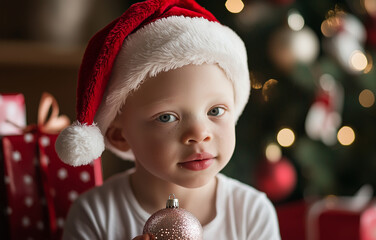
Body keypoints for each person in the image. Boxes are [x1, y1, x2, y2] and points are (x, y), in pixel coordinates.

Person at [55, 0, 281, 239]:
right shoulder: (95, 214)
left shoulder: (251, 213)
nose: (199, 132)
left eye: (215, 111)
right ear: (119, 135)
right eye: (166, 117)